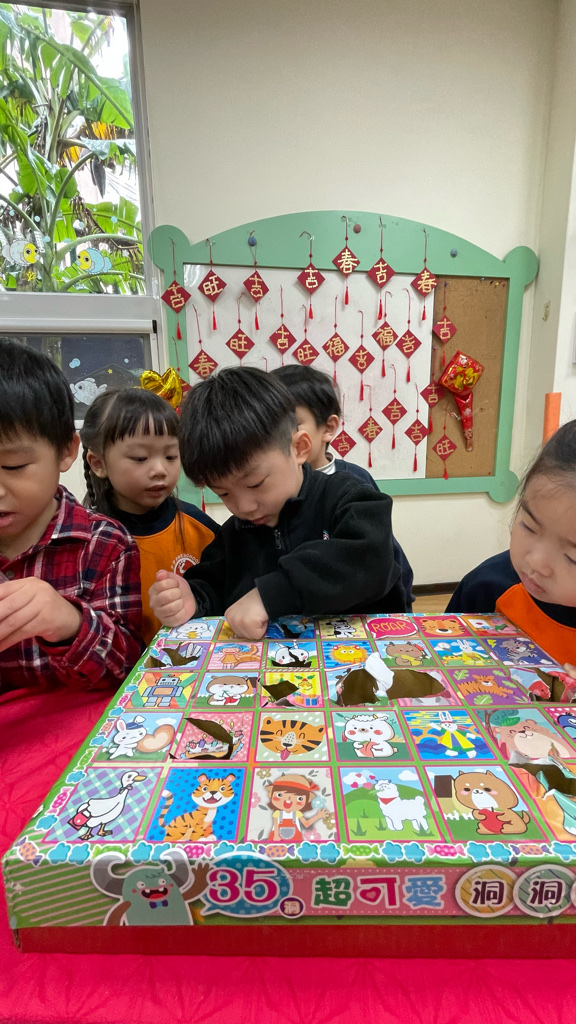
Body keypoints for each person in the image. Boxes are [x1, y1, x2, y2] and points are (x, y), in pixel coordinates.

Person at [149, 366, 406, 640]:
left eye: (255, 484)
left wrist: (272, 593)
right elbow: (212, 585)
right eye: (223, 494)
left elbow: (371, 561)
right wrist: (191, 598)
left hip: (366, 654)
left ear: (299, 448)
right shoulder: (234, 534)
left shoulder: (348, 496)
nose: (243, 507)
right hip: (276, 662)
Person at [0, 339, 142, 696]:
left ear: (66, 450)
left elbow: (129, 668)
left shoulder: (105, 545)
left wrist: (69, 623)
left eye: (13, 466)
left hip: (80, 718)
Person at [271, 363, 415, 610]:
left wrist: (403, 601)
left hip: (351, 613)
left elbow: (383, 552)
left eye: (292, 424)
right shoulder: (269, 488)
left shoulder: (354, 481)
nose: (277, 436)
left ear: (328, 428)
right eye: (268, 425)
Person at [81, 388, 218, 645]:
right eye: (140, 458)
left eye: (171, 456)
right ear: (98, 463)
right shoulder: (87, 541)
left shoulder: (199, 527)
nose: (159, 470)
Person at [446, 420, 576, 667]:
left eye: (572, 558)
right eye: (529, 527)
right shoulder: (486, 588)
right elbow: (443, 661)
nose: (536, 563)